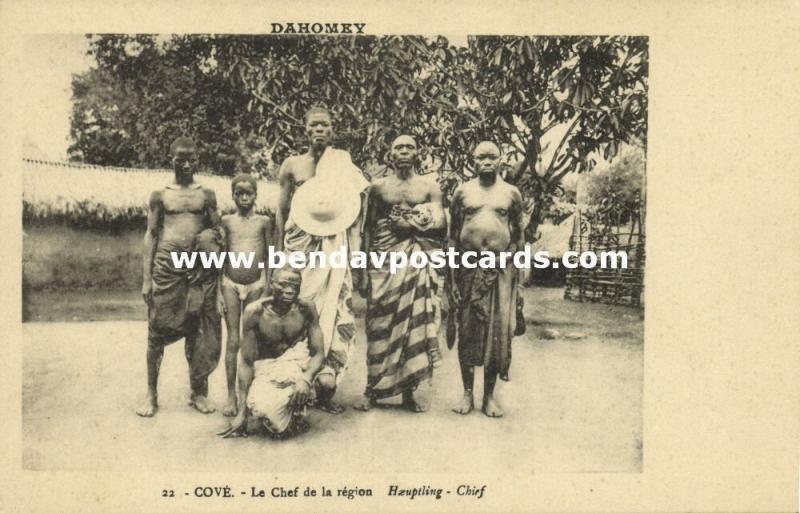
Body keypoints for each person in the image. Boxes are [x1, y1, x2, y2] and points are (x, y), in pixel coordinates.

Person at [274, 106, 369, 414]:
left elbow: (360, 200)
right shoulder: (292, 165)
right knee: (297, 305)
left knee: (334, 308)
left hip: (334, 247)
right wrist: (279, 254)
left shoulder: (342, 162)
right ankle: (295, 376)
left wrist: (355, 249)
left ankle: (326, 382)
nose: (319, 131)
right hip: (299, 247)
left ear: (332, 130)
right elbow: (281, 210)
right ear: (305, 130)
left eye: (324, 126)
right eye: (313, 126)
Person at [355, 135, 446, 412]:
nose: (404, 151)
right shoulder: (378, 188)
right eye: (398, 147)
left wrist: (413, 227)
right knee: (378, 325)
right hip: (383, 264)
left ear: (418, 153)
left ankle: (408, 393)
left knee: (413, 323)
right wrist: (362, 268)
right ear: (390, 154)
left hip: (415, 261)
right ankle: (372, 389)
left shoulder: (430, 187)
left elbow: (441, 226)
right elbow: (368, 229)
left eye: (409, 147)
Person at [137, 137, 222, 417]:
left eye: (191, 158)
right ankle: (151, 394)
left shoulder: (206, 194)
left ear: (197, 159)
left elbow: (216, 234)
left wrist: (214, 277)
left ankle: (199, 392)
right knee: (156, 331)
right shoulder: (160, 195)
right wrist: (147, 278)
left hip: (197, 268)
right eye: (180, 158)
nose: (186, 164)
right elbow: (151, 235)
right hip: (166, 268)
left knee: (196, 328)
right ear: (170, 157)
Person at [448, 141, 524, 418]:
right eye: (482, 157)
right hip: (467, 266)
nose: (487, 162)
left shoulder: (511, 193)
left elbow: (518, 237)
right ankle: (467, 392)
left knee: (496, 332)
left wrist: (519, 278)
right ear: (473, 160)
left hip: (500, 268)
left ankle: (489, 397)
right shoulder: (462, 192)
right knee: (467, 330)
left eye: (492, 156)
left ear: (501, 160)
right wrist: (452, 280)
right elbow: (453, 235)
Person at [217, 268, 325, 438]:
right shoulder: (255, 312)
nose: (290, 290)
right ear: (271, 284)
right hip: (268, 369)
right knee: (262, 408)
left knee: (326, 384)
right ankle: (292, 407)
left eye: (294, 285)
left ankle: (303, 397)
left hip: (298, 365)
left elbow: (318, 353)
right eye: (283, 284)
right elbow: (246, 362)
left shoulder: (306, 308)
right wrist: (242, 414)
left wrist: (306, 378)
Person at [219, 173, 274, 417]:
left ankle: (247, 395)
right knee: (232, 340)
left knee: (250, 340)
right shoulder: (227, 221)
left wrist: (268, 286)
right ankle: (231, 395)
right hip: (230, 283)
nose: (243, 197)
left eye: (248, 193)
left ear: (255, 195)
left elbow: (271, 256)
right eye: (238, 193)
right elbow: (220, 256)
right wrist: (219, 292)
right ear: (232, 195)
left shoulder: (264, 222)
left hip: (256, 284)